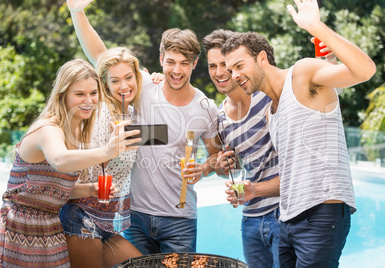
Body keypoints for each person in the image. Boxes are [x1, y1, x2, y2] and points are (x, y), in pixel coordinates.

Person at [221, 0, 376, 267]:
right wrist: (253, 190)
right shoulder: (271, 112)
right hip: (288, 219)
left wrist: (316, 27)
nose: (234, 75)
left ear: (261, 58)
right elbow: (292, 177)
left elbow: (365, 71)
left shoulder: (302, 74)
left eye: (239, 65)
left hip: (321, 214)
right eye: (230, 69)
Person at [66, 0, 222, 255]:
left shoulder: (206, 108)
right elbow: (102, 57)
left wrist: (204, 168)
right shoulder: (142, 86)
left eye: (185, 63)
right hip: (135, 216)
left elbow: (216, 158)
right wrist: (78, 12)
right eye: (171, 61)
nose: (177, 70)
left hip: (180, 220)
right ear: (161, 59)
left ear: (195, 64)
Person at [0, 59, 140, 268]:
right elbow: (59, 160)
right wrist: (108, 151)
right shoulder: (48, 128)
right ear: (62, 95)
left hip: (50, 227)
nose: (89, 100)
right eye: (80, 94)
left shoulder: (76, 132)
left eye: (93, 93)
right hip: (21, 227)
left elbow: (54, 189)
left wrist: (90, 189)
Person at [202, 29, 281, 268]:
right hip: (250, 221)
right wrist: (222, 165)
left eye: (224, 64)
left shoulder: (267, 95)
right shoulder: (220, 117)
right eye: (212, 66)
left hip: (283, 213)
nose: (218, 73)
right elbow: (222, 166)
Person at [59, 48, 144, 268]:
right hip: (82, 216)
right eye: (115, 81)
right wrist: (107, 153)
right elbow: (85, 162)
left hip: (105, 220)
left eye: (128, 77)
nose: (124, 86)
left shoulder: (129, 112)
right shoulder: (103, 111)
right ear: (105, 85)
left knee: (144, 265)